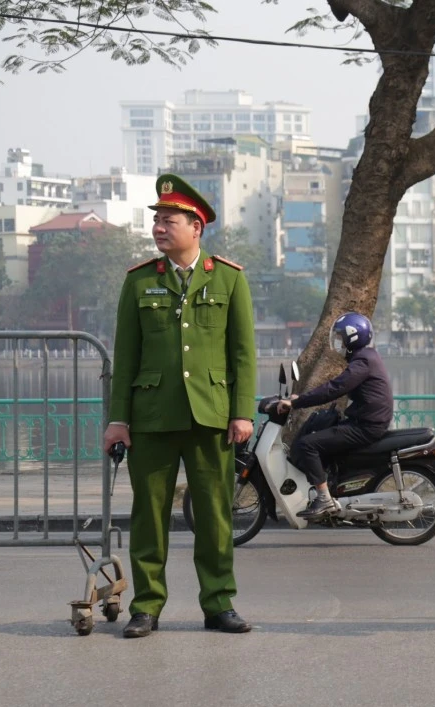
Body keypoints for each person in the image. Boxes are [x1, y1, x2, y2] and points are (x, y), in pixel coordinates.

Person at [103, 174, 257, 639]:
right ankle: (146, 606)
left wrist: (242, 411)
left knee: (214, 515)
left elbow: (242, 353)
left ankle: (218, 604)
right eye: (157, 220)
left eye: (169, 220)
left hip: (211, 414)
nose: (159, 227)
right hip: (151, 418)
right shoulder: (138, 282)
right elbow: (125, 355)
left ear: (197, 227)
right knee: (148, 517)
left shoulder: (228, 278)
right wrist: (118, 419)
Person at [277, 312, 394, 517]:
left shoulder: (363, 361)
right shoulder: (366, 357)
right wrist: (301, 398)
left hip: (366, 426)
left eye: (340, 338)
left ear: (352, 338)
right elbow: (336, 387)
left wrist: (296, 402)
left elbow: (334, 388)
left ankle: (324, 500)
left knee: (308, 444)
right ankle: (331, 487)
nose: (338, 342)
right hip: (366, 421)